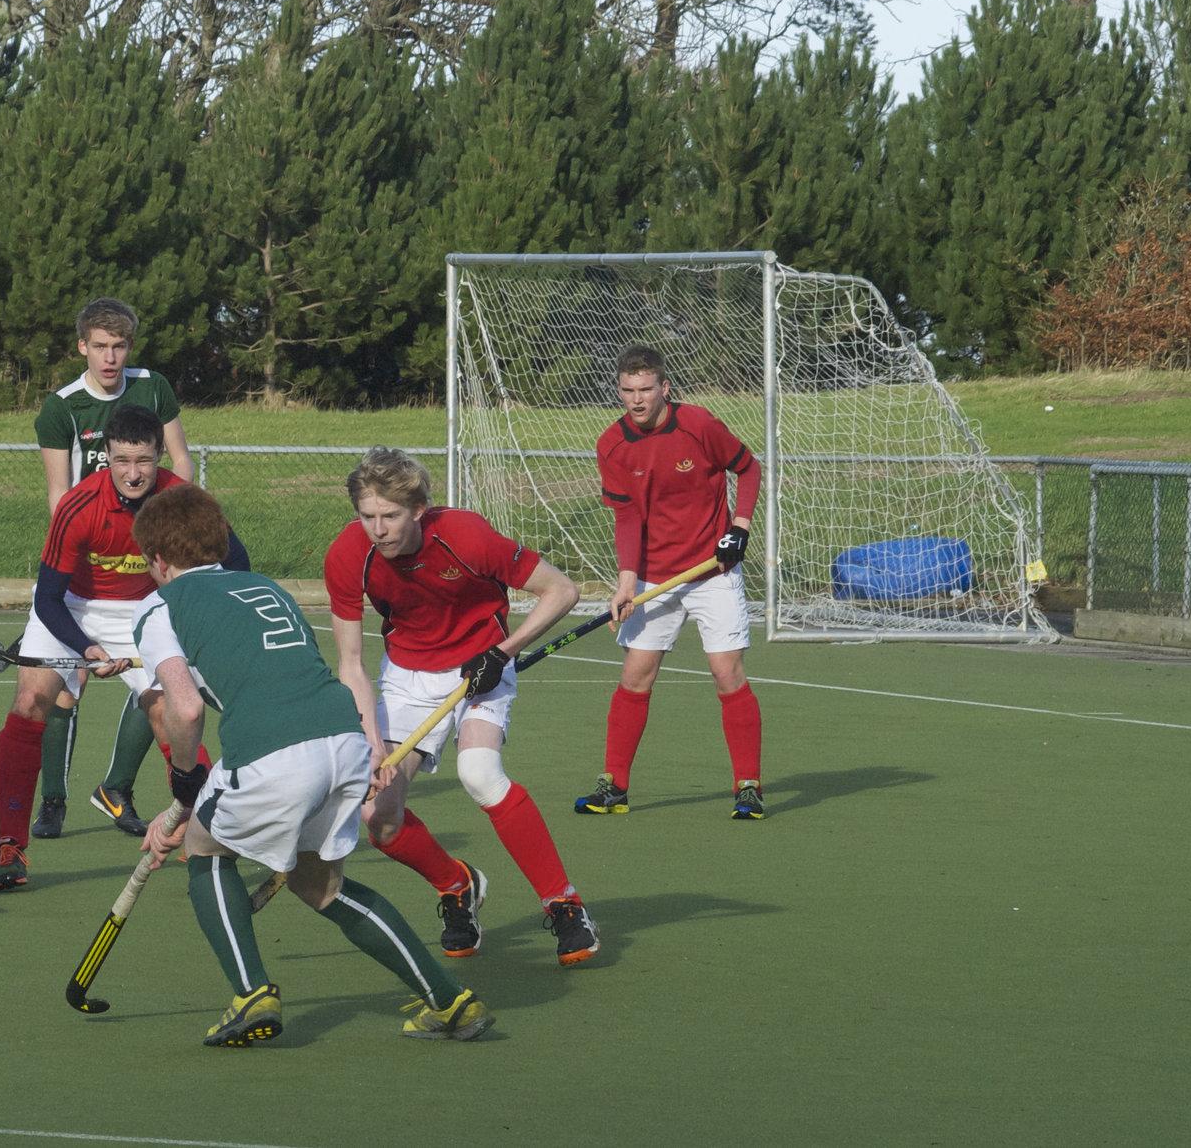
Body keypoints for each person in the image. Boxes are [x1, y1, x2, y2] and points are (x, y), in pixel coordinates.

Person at [134, 484, 493, 1045]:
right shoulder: (263, 585)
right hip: (343, 740)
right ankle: (450, 1001)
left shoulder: (160, 605)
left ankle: (251, 994)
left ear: (156, 560)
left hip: (275, 749)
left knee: (204, 851)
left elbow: (184, 706)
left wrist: (184, 789)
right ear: (221, 540)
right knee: (320, 885)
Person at [324, 447, 600, 967]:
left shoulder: (466, 534)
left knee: (479, 772)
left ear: (419, 509)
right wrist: (370, 743)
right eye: (368, 517)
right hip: (405, 681)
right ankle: (456, 884)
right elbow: (352, 665)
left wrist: (502, 654)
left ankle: (564, 904)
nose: (378, 530)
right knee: (378, 818)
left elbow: (561, 590)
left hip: (481, 669)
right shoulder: (347, 555)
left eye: (390, 516)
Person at [0, 404, 242, 891]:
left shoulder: (183, 499)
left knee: (171, 710)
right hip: (73, 607)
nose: (133, 473)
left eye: (144, 461)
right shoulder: (78, 505)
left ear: (157, 456)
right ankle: (10, 845)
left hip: (148, 607)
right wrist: (86, 650)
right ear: (105, 455)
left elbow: (237, 562)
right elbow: (47, 597)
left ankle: (213, 834)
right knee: (29, 702)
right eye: (122, 460)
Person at [28, 297, 195, 839]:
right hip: (84, 563)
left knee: (158, 688)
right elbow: (60, 494)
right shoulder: (61, 408)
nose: (110, 357)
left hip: (148, 567)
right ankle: (53, 800)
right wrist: (100, 537)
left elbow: (180, 463)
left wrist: (183, 531)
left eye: (119, 346)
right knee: (59, 691)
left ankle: (115, 788)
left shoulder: (153, 386)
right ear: (82, 346)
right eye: (99, 346)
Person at [577, 344, 765, 820]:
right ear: (618, 390)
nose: (636, 399)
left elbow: (748, 467)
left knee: (727, 673)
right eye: (627, 391)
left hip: (712, 571)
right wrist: (626, 585)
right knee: (635, 676)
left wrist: (738, 529)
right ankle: (613, 788)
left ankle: (747, 786)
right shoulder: (611, 445)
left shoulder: (699, 425)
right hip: (652, 576)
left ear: (665, 388)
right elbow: (626, 517)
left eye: (645, 390)